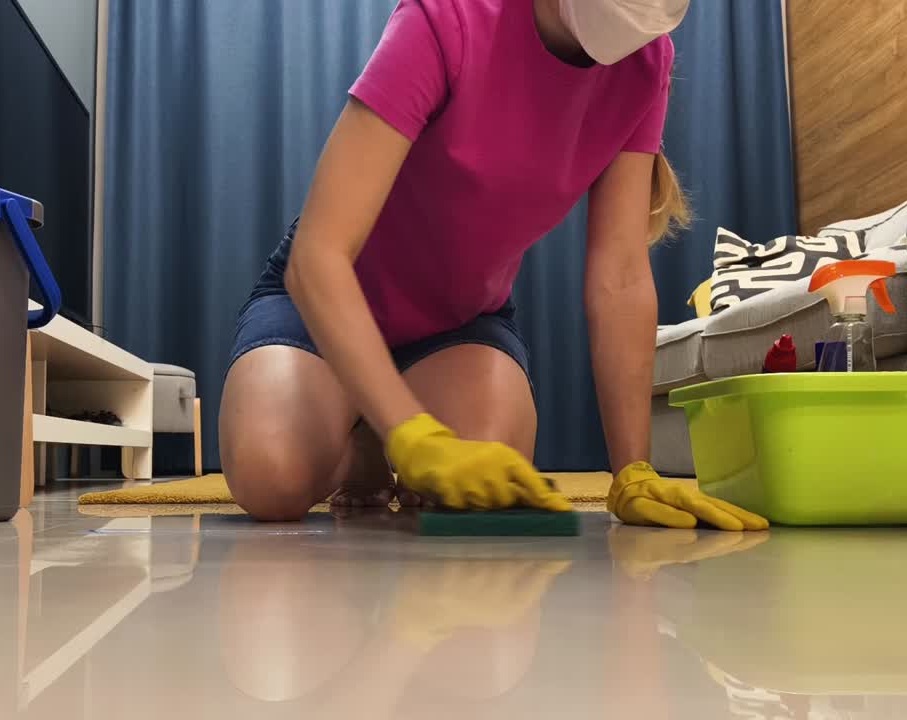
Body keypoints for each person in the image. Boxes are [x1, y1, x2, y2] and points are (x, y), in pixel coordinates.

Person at [219, 0, 767, 531]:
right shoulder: (446, 17)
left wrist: (633, 471)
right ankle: (362, 434)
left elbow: (620, 275)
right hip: (321, 308)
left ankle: (374, 418)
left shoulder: (647, 63)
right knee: (274, 475)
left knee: (484, 479)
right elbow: (319, 255)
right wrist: (409, 432)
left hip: (454, 325)